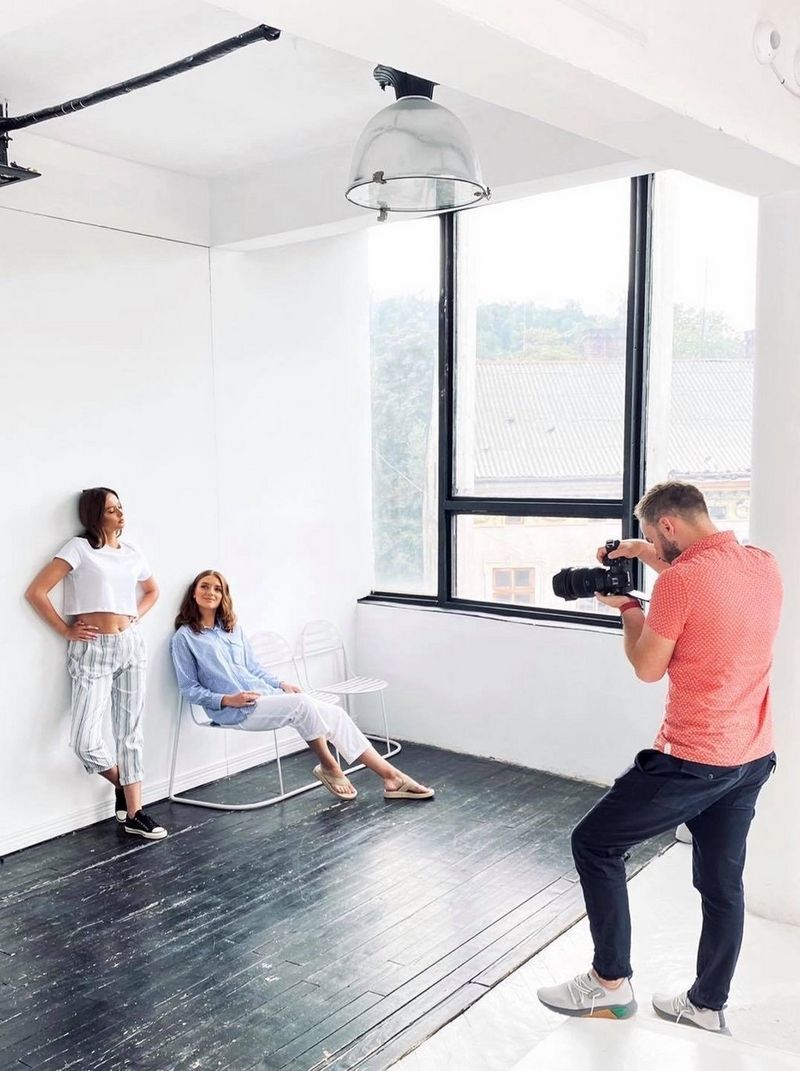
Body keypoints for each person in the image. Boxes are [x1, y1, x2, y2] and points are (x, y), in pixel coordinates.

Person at [537, 481, 781, 1034]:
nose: (650, 543)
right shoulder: (762, 564)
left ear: (667, 524)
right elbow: (704, 582)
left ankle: (609, 985)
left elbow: (648, 668)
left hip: (691, 759)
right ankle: (706, 1005)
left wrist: (627, 608)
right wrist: (644, 555)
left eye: (650, 534)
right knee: (722, 888)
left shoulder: (682, 583)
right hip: (750, 757)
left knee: (594, 843)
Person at [170, 570, 434, 802]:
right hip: (234, 711)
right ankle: (329, 765)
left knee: (336, 715)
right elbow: (189, 689)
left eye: (217, 588)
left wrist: (281, 683)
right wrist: (228, 699)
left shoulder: (232, 629)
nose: (210, 592)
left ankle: (391, 778)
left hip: (265, 698)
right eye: (204, 586)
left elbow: (253, 668)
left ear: (224, 596)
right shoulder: (184, 638)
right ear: (193, 593)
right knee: (303, 705)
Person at [25, 487, 167, 841]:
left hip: (131, 646)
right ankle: (124, 785)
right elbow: (36, 592)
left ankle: (135, 813)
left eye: (121, 507)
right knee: (84, 740)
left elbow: (152, 591)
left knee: (130, 732)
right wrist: (65, 630)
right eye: (111, 509)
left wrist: (135, 618)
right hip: (93, 649)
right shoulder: (79, 549)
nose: (121, 514)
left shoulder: (133, 552)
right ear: (94, 515)